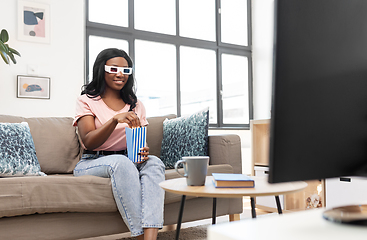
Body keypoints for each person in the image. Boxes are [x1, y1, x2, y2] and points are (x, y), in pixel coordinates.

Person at [72, 48, 165, 240]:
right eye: (113, 69)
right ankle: (139, 237)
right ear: (101, 69)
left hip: (128, 158)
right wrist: (115, 120)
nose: (120, 74)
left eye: (126, 70)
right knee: (121, 163)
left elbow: (141, 140)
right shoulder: (86, 100)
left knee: (155, 162)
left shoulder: (136, 104)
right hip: (92, 161)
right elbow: (88, 141)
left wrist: (143, 150)